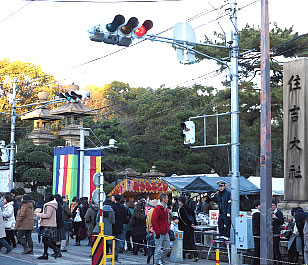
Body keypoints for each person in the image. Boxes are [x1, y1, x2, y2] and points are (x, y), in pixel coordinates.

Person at [35, 193, 60, 260]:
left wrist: (38, 214)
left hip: (49, 224)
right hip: (49, 224)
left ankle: (56, 249)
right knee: (46, 240)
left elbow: (48, 215)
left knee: (44, 240)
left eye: (45, 197)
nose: (44, 199)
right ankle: (45, 254)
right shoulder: (52, 204)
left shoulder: (49, 205)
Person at [151, 193, 170, 265]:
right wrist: (157, 231)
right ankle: (156, 262)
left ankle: (160, 259)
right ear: (163, 199)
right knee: (158, 248)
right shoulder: (157, 208)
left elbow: (166, 220)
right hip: (159, 231)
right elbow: (153, 220)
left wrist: (168, 229)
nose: (168, 199)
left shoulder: (165, 207)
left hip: (165, 230)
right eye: (167, 198)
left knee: (167, 248)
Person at [178, 196, 199, 262]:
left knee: (184, 241)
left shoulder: (182, 209)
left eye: (179, 201)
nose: (178, 202)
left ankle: (183, 256)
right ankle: (195, 255)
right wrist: (194, 224)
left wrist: (190, 224)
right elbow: (193, 215)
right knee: (191, 241)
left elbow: (183, 219)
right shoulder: (189, 208)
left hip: (185, 227)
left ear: (181, 202)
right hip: (191, 227)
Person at [112, 194, 128, 262]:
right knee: (118, 241)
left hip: (113, 226)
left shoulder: (112, 207)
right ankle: (116, 255)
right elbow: (125, 218)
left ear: (115, 199)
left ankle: (113, 254)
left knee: (112, 241)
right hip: (120, 226)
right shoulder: (123, 208)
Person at [252, 200, 260, 265]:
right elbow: (257, 225)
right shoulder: (257, 214)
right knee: (257, 250)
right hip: (257, 234)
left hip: (256, 233)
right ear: (256, 206)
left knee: (257, 249)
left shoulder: (256, 214)